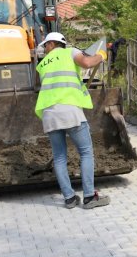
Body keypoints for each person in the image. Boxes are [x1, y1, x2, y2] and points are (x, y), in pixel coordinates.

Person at [34, 32, 110, 209]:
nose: (45, 48)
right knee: (85, 152)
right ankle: (90, 196)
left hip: (49, 114)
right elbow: (87, 63)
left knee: (60, 157)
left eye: (46, 44)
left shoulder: (42, 64)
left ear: (53, 44)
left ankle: (69, 198)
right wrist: (102, 55)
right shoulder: (70, 52)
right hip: (69, 110)